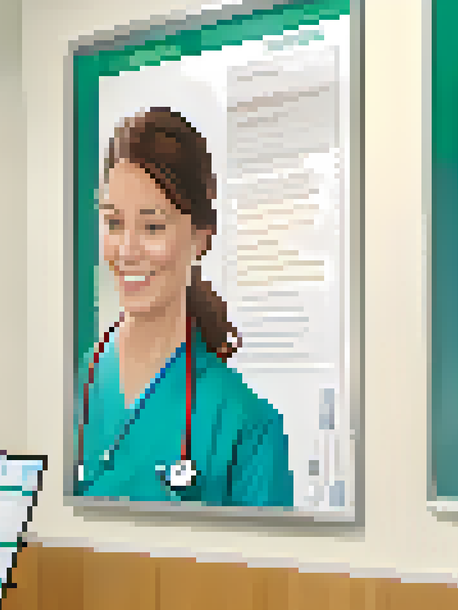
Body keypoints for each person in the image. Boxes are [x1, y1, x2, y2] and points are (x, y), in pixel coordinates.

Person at [74, 108, 294, 507]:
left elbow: (264, 570)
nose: (127, 250)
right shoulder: (74, 389)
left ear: (200, 238)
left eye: (153, 227)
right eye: (114, 223)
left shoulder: (248, 428)